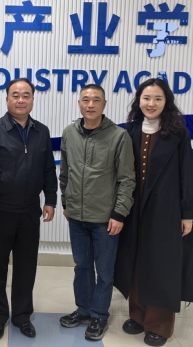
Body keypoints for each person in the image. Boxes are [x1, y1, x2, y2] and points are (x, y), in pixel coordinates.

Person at [114, 78, 193, 347]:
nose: (151, 104)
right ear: (138, 101)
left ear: (167, 102)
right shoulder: (129, 130)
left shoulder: (177, 134)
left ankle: (159, 325)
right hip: (133, 209)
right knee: (136, 260)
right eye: (146, 98)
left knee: (162, 265)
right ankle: (138, 316)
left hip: (166, 211)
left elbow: (187, 174)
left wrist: (187, 213)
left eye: (158, 99)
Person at [0, 78, 58, 340]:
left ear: (32, 99)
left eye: (26, 95)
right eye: (15, 95)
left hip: (30, 211)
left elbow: (48, 168)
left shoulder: (41, 131)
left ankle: (22, 316)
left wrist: (51, 199)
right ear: (7, 99)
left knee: (26, 268)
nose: (21, 100)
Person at [58, 84, 136, 341]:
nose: (90, 105)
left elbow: (127, 179)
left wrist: (119, 214)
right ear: (79, 103)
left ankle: (99, 315)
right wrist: (66, 202)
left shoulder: (119, 136)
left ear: (104, 104)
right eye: (85, 100)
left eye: (96, 100)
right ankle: (83, 310)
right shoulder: (69, 132)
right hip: (77, 217)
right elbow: (65, 172)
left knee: (104, 271)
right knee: (82, 266)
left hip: (105, 219)